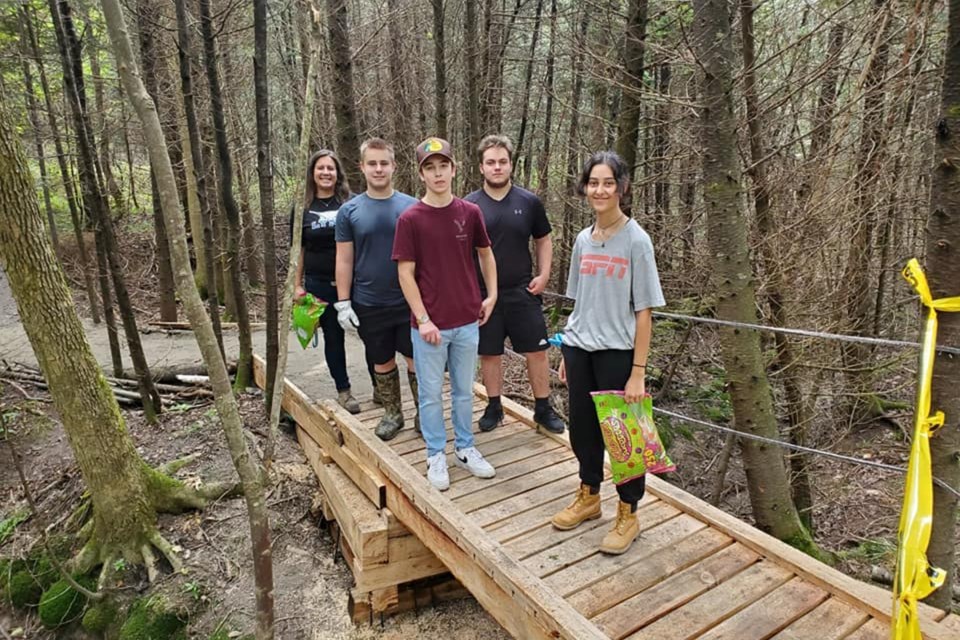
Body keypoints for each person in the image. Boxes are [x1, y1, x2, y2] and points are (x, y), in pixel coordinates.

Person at [553, 151, 665, 555]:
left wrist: (638, 370)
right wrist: (566, 350)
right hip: (581, 348)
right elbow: (578, 303)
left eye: (608, 183)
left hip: (617, 353)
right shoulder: (584, 240)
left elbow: (645, 310)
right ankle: (588, 496)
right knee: (582, 431)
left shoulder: (637, 241)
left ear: (622, 187)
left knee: (624, 438)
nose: (600, 190)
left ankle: (628, 511)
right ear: (585, 188)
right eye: (594, 183)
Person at [392, 137, 499, 491]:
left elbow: (485, 254)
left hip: (467, 320)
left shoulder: (470, 213)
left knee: (465, 390)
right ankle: (435, 453)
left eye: (443, 166)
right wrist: (423, 319)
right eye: (430, 168)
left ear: (454, 169)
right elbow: (405, 273)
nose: (438, 174)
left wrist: (492, 295)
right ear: (421, 174)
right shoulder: (410, 219)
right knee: (430, 392)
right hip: (429, 326)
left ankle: (465, 448)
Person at [464, 135, 564, 434]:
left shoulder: (528, 202)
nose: (497, 168)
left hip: (524, 290)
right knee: (490, 353)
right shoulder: (469, 206)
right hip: (484, 296)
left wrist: (544, 274)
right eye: (491, 162)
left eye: (502, 162)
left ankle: (543, 408)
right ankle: (494, 406)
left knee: (537, 351)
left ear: (511, 165)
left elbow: (544, 239)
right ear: (481, 167)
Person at [335, 138, 420, 440]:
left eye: (384, 162)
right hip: (369, 302)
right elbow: (344, 259)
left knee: (416, 359)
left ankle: (424, 414)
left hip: (410, 301)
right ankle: (392, 413)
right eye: (372, 163)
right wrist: (343, 302)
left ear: (394, 166)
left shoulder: (413, 207)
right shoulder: (349, 211)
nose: (379, 168)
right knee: (381, 360)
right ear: (362, 167)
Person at [293, 149, 360, 414]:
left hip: (355, 283)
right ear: (312, 173)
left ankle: (381, 389)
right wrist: (297, 286)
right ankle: (344, 391)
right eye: (320, 168)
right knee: (334, 338)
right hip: (319, 284)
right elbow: (297, 250)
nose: (325, 173)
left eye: (330, 168)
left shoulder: (351, 203)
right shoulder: (303, 209)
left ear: (338, 172)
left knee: (369, 334)